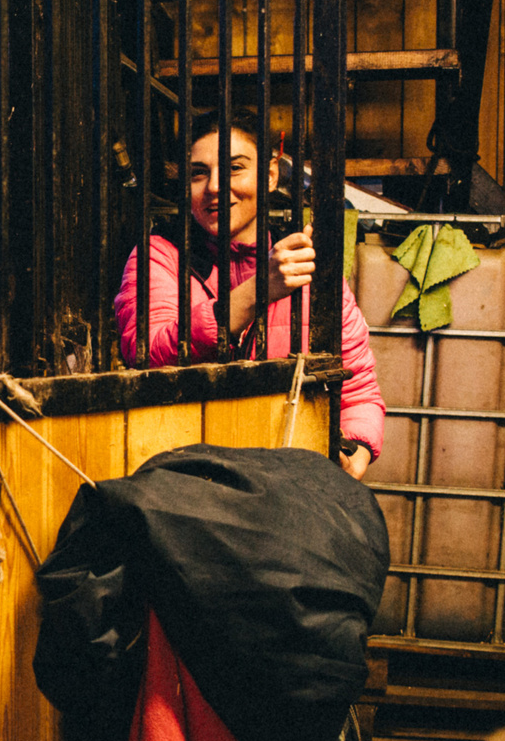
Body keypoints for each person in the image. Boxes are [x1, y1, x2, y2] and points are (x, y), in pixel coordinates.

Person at [111, 118, 385, 479]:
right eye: (197, 173)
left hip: (287, 482)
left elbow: (358, 392)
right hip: (187, 479)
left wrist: (354, 455)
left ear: (269, 175)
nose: (214, 187)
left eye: (235, 169)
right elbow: (148, 354)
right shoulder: (159, 256)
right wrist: (259, 289)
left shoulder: (305, 266)